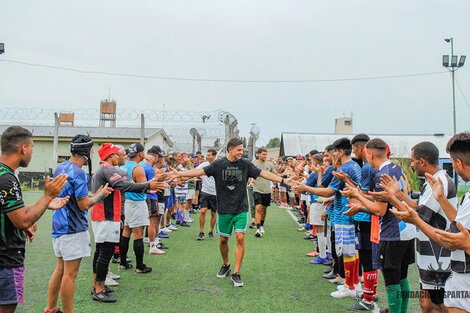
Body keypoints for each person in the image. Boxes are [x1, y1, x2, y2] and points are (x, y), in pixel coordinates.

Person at [168, 138, 292, 287]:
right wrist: (179, 175)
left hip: (241, 208)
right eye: (239, 150)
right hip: (224, 209)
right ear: (230, 149)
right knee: (223, 240)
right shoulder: (218, 165)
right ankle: (226, 264)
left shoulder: (246, 164)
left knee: (240, 237)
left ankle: (236, 273)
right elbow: (199, 171)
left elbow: (263, 174)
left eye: (242, 150)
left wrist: (282, 180)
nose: (242, 152)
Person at [387, 133, 470, 313]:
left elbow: (423, 217)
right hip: (442, 257)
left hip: (442, 257)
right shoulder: (437, 183)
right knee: (430, 304)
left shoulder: (441, 180)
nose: (411, 164)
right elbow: (424, 209)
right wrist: (400, 196)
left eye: (413, 160)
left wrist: (392, 199)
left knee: (437, 305)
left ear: (459, 163)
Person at [342, 138, 416, 313]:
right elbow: (382, 201)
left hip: (393, 233)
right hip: (407, 229)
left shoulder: (381, 174)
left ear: (371, 154)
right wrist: (359, 201)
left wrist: (358, 197)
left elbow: (380, 210)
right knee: (402, 277)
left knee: (391, 281)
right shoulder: (396, 168)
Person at [0, 126, 68, 313]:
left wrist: (44, 204)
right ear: (23, 148)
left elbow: (9, 210)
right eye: (32, 148)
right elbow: (22, 220)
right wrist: (47, 196)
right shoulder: (7, 179)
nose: (31, 153)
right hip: (6, 260)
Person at [90, 143, 167, 302]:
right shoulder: (108, 169)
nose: (124, 157)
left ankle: (98, 285)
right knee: (105, 252)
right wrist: (148, 185)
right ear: (111, 157)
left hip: (105, 215)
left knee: (101, 251)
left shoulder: (104, 168)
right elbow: (125, 185)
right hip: (106, 216)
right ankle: (98, 289)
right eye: (121, 155)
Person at [45, 135, 112, 313]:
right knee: (70, 274)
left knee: (60, 269)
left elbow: (75, 198)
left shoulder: (62, 167)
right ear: (87, 152)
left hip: (59, 227)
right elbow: (83, 205)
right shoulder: (80, 172)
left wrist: (93, 195)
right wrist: (100, 196)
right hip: (73, 229)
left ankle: (51, 308)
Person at [120, 143, 152, 274]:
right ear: (140, 153)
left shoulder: (123, 166)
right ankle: (140, 266)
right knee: (138, 233)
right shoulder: (138, 169)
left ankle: (122, 262)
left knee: (126, 231)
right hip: (137, 202)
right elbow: (145, 187)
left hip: (126, 202)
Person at [252, 147, 276, 237]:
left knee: (264, 209)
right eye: (263, 154)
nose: (265, 156)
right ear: (258, 154)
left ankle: (262, 225)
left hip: (267, 190)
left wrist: (286, 176)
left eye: (266, 154)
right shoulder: (253, 163)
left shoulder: (269, 164)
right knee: (258, 207)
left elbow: (275, 174)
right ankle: (258, 228)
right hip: (257, 189)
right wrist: (250, 180)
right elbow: (248, 173)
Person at [196, 149, 217, 240]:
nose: (207, 157)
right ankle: (201, 232)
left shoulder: (219, 165)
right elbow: (195, 171)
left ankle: (211, 231)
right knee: (203, 211)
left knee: (213, 213)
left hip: (215, 193)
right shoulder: (203, 165)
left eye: (209, 155)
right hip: (205, 191)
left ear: (214, 156)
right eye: (207, 155)